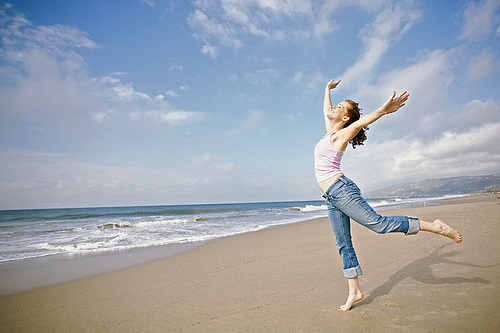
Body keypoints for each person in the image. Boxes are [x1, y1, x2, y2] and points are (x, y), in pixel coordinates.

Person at [315, 78, 462, 311]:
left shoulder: (341, 135)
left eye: (341, 107)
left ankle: (436, 226)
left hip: (342, 191)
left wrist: (383, 110)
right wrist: (326, 90)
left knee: (379, 225)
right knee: (343, 243)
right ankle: (354, 291)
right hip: (331, 197)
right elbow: (326, 110)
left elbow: (360, 122)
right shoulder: (329, 133)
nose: (334, 108)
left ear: (344, 118)